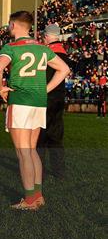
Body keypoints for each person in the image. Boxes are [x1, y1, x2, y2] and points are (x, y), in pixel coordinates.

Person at [0, 11, 70, 211]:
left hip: (20, 101)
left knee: (23, 152)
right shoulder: (42, 48)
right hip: (38, 102)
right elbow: (64, 69)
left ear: (13, 25)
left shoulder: (10, 47)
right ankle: (38, 195)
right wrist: (45, 89)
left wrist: (1, 87)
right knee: (32, 150)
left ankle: (29, 200)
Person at [38, 24, 69, 179]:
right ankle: (59, 171)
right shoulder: (63, 53)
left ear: (47, 35)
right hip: (59, 99)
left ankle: (39, 171)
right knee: (56, 136)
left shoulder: (47, 52)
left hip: (45, 97)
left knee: (41, 137)